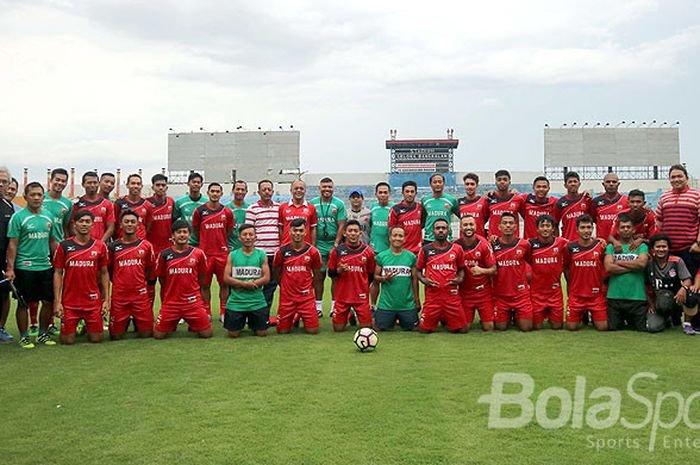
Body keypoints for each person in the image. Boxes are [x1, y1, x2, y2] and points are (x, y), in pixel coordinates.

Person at [6, 182, 59, 348]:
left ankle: (43, 334)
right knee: (24, 303)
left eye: (39, 195)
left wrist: (58, 263)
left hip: (45, 266)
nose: (36, 198)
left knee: (48, 302)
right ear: (25, 196)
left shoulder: (48, 216)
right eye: (33, 194)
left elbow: (52, 241)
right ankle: (24, 336)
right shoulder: (18, 217)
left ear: (43, 197)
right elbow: (12, 244)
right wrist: (10, 268)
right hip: (24, 267)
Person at [53, 210, 109, 345]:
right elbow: (58, 273)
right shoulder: (64, 246)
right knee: (67, 341)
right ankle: (76, 324)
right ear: (75, 225)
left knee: (97, 339)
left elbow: (104, 273)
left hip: (92, 301)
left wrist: (106, 299)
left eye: (87, 221)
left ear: (92, 225)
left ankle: (86, 325)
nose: (84, 224)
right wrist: (57, 301)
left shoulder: (100, 246)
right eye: (81, 221)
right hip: (70, 302)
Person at [153, 220, 213, 339]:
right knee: (158, 335)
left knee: (207, 334)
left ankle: (193, 323)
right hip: (171, 303)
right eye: (178, 232)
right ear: (172, 236)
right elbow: (162, 278)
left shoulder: (198, 253)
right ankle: (172, 322)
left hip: (192, 303)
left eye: (185, 232)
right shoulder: (164, 254)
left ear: (189, 235)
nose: (182, 235)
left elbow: (201, 276)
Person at [107, 210, 156, 339]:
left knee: (147, 334)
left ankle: (135, 320)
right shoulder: (113, 247)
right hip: (120, 296)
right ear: (121, 225)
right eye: (126, 222)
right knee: (115, 336)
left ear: (138, 225)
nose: (129, 224)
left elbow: (149, 269)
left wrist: (139, 281)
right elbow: (109, 269)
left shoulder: (146, 246)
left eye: (133, 222)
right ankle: (125, 320)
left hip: (140, 295)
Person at [192, 182, 235, 320]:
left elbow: (228, 230)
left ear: (221, 194)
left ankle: (223, 311)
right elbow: (196, 230)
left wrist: (220, 241)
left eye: (218, 191)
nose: (215, 194)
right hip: (205, 254)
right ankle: (207, 311)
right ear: (208, 193)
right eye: (213, 191)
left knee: (224, 284)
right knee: (204, 284)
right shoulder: (199, 211)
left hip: (222, 254)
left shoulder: (227, 211)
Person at [273, 218, 322, 334]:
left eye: (301, 231)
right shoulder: (281, 251)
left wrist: (308, 290)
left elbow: (317, 275)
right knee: (282, 331)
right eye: (295, 230)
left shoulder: (313, 252)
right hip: (287, 298)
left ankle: (300, 315)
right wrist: (284, 287)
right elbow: (277, 272)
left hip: (306, 298)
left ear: (306, 232)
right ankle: (294, 316)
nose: (297, 233)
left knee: (313, 331)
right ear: (289, 232)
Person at [416, 218, 466, 333]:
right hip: (433, 297)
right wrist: (424, 280)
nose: (441, 231)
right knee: (424, 330)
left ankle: (445, 318)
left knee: (462, 330)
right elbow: (418, 271)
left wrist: (460, 279)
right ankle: (438, 318)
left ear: (448, 231)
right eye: (438, 228)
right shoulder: (425, 250)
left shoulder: (457, 249)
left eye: (444, 228)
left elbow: (462, 269)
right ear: (433, 231)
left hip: (451, 296)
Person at [604, 213, 650, 331]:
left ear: (633, 230)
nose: (625, 229)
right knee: (613, 328)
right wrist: (633, 267)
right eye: (622, 227)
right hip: (615, 297)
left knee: (640, 329)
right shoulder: (611, 247)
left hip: (637, 297)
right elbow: (609, 267)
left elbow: (641, 264)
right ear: (618, 231)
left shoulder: (642, 246)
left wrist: (617, 263)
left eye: (628, 227)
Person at [327, 220, 376, 332]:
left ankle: (357, 314)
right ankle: (349, 315)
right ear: (345, 233)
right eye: (350, 231)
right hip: (342, 296)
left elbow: (371, 275)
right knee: (338, 329)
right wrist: (339, 270)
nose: (353, 233)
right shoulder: (337, 251)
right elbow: (330, 273)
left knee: (366, 329)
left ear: (360, 233)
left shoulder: (368, 251)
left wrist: (362, 286)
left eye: (355, 231)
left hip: (361, 297)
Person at [222, 224, 270, 338]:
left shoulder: (262, 255)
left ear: (255, 237)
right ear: (239, 238)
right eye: (245, 235)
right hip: (236, 302)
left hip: (257, 302)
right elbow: (226, 278)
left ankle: (253, 323)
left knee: (262, 333)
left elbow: (266, 278)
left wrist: (249, 285)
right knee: (233, 334)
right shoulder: (232, 255)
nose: (248, 237)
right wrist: (244, 284)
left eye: (251, 234)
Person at [655, 164, 700, 282]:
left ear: (686, 178)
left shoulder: (696, 196)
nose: (676, 180)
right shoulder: (664, 197)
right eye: (673, 177)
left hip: (690, 250)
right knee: (672, 285)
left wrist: (698, 244)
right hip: (668, 252)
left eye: (679, 176)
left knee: (692, 289)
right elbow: (659, 221)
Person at [646, 234, 698, 335]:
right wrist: (651, 305)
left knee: (691, 295)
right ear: (652, 249)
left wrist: (683, 288)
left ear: (668, 248)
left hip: (676, 299)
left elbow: (687, 280)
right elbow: (644, 285)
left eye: (664, 246)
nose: (661, 249)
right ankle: (667, 318)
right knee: (653, 327)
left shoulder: (677, 261)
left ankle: (687, 323)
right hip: (658, 301)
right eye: (658, 247)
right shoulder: (649, 264)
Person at [563, 215, 608, 331]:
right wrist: (570, 285)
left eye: (589, 227)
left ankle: (592, 314)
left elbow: (605, 267)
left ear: (593, 229)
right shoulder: (570, 248)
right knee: (571, 327)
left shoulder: (600, 246)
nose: (586, 231)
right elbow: (566, 268)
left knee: (603, 327)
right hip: (576, 295)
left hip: (595, 296)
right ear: (577, 230)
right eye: (582, 228)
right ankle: (581, 314)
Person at [245, 180, 281, 323]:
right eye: (264, 189)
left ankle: (263, 317)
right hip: (259, 255)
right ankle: (250, 315)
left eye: (269, 189)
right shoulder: (252, 209)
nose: (267, 192)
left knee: (271, 286)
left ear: (272, 192)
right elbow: (248, 232)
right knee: (254, 285)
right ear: (258, 192)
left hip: (275, 254)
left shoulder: (279, 208)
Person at [311, 177, 346, 318]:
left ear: (333, 188)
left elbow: (342, 225)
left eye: (329, 187)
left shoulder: (338, 204)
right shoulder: (312, 204)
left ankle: (334, 306)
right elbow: (311, 225)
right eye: (324, 186)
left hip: (333, 244)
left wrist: (336, 244)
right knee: (318, 276)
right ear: (319, 188)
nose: (327, 189)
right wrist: (313, 246)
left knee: (335, 276)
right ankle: (318, 306)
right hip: (318, 244)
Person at [491, 212, 533, 331]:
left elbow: (530, 262)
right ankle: (509, 314)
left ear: (516, 226)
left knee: (527, 328)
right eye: (505, 223)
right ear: (499, 227)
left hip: (520, 295)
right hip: (501, 295)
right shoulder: (492, 245)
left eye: (511, 223)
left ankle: (517, 314)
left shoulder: (524, 244)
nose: (508, 226)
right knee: (500, 327)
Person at [373, 226, 419, 331]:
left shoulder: (411, 257)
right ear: (390, 237)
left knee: (414, 329)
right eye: (395, 235)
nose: (397, 238)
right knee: (378, 328)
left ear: (405, 238)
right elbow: (375, 277)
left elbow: (414, 279)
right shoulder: (381, 256)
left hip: (407, 305)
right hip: (386, 305)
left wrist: (417, 299)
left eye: (400, 236)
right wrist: (384, 278)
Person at [455, 215, 497, 331]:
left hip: (483, 292)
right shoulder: (455, 246)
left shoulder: (484, 244)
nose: (468, 227)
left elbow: (494, 269)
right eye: (465, 225)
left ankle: (486, 316)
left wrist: (481, 270)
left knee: (489, 327)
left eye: (471, 224)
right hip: (465, 293)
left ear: (475, 226)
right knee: (464, 328)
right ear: (461, 227)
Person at [527, 214, 568, 330]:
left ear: (553, 228)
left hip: (554, 293)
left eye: (548, 226)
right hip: (536, 293)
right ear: (537, 229)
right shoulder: (529, 244)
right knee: (536, 326)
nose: (545, 228)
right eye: (542, 226)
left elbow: (579, 245)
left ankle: (551, 316)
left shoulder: (561, 243)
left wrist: (598, 241)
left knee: (557, 326)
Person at [368, 182, 392, 312]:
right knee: (374, 280)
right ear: (376, 194)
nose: (383, 195)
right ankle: (373, 305)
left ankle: (391, 307)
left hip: (389, 251)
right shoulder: (372, 208)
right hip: (375, 251)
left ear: (389, 194)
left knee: (391, 281)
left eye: (385, 192)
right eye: (380, 192)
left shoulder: (393, 209)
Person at [72, 171, 116, 242]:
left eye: (95, 183)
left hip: (101, 245)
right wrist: (81, 241)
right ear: (83, 184)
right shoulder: (77, 204)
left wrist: (100, 243)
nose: (92, 185)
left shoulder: (107, 204)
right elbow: (72, 225)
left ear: (98, 184)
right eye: (89, 183)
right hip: (82, 246)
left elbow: (111, 227)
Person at [555, 171, 594, 241]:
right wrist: (557, 241)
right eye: (570, 182)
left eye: (575, 181)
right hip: (567, 241)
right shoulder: (560, 203)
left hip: (585, 243)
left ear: (579, 184)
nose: (573, 184)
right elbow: (555, 225)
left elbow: (594, 219)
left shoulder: (586, 199)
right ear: (565, 185)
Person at [172, 172, 208, 246]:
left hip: (202, 243)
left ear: (202, 184)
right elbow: (173, 221)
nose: (196, 184)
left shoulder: (206, 203)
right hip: (186, 243)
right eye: (193, 182)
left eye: (198, 182)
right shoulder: (180, 202)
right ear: (188, 183)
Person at [388, 181, 423, 255]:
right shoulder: (395, 209)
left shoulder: (420, 208)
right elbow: (391, 230)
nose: (410, 194)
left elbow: (423, 224)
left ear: (416, 193)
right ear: (402, 193)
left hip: (417, 251)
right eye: (407, 191)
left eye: (412, 192)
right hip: (401, 251)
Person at [114, 173, 153, 240]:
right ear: (127, 185)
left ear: (141, 186)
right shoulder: (119, 203)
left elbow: (148, 226)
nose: (136, 186)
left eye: (138, 184)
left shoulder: (147, 205)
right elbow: (115, 225)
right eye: (133, 183)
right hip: (123, 241)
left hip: (141, 243)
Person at [0, 166, 15, 342]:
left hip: (2, 260)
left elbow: (13, 239)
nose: (0, 184)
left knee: (4, 294)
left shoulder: (8, 207)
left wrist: (10, 265)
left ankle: (1, 328)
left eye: (4, 181)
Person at [487, 169, 523, 240]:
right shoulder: (489, 198)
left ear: (509, 182)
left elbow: (526, 216)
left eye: (505, 180)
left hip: (512, 241)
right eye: (499, 180)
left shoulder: (518, 199)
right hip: (494, 241)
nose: (502, 182)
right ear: (496, 182)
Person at [421, 173, 457, 244]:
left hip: (446, 239)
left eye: (440, 182)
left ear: (444, 184)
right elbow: (422, 220)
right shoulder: (425, 200)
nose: (437, 184)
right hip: (429, 239)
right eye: (435, 182)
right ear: (430, 184)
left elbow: (461, 216)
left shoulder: (451, 200)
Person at [279, 179, 317, 246]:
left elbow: (313, 229)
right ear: (291, 191)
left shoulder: (311, 207)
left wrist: (312, 245)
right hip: (286, 246)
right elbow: (281, 228)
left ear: (305, 191)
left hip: (305, 247)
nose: (298, 190)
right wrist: (283, 243)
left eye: (301, 189)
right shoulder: (282, 207)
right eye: (296, 188)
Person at [520, 176, 557, 240]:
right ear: (533, 188)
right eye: (538, 187)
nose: (541, 189)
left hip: (547, 244)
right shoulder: (525, 200)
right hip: (530, 244)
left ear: (549, 188)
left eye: (544, 187)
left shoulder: (554, 203)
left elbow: (556, 225)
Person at [592, 173, 627, 241]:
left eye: (614, 182)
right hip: (602, 242)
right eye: (608, 182)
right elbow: (593, 219)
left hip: (620, 243)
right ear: (603, 184)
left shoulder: (626, 201)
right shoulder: (596, 201)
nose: (611, 184)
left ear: (618, 184)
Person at [146, 174, 175, 256]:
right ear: (153, 187)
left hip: (169, 245)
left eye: (163, 185)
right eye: (157, 185)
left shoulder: (171, 202)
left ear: (167, 187)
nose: (161, 187)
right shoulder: (146, 203)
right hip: (152, 246)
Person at [453, 173, 489, 238]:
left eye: (472, 184)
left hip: (479, 241)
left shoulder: (484, 202)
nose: (469, 187)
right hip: (463, 241)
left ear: (477, 185)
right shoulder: (459, 202)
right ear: (464, 185)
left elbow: (485, 219)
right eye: (467, 184)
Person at [44, 168, 72, 242]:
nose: (60, 183)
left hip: (58, 245)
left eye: (63, 181)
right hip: (40, 245)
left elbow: (66, 226)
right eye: (57, 180)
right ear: (51, 180)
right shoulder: (41, 198)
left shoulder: (68, 204)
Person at [227, 180, 250, 251]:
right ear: (233, 191)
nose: (240, 192)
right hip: (231, 249)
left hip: (247, 249)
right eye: (238, 189)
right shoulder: (226, 209)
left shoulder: (250, 209)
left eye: (242, 190)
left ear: (246, 191)